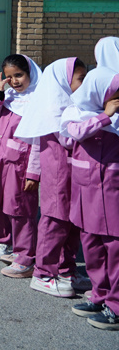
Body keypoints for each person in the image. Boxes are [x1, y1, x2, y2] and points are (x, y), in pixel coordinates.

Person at [15, 56, 91, 297]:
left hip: (74, 176)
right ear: (63, 81)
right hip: (57, 177)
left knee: (72, 224)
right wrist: (32, 173)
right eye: (80, 79)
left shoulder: (75, 107)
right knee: (54, 221)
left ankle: (66, 269)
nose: (85, 84)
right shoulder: (53, 110)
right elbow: (41, 146)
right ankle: (43, 274)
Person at [59, 65, 119, 329]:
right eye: (112, 92)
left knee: (114, 247)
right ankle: (100, 295)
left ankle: (116, 306)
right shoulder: (76, 111)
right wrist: (105, 117)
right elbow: (74, 133)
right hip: (86, 191)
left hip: (111, 192)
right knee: (92, 245)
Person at [0, 54, 44, 279]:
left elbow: (38, 141)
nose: (15, 81)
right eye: (9, 77)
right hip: (0, 161)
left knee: (21, 210)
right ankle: (14, 247)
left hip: (21, 165)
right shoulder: (8, 96)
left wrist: (33, 172)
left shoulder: (38, 101)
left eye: (19, 75)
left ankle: (27, 258)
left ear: (30, 74)